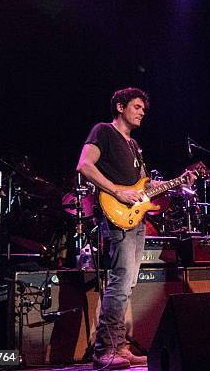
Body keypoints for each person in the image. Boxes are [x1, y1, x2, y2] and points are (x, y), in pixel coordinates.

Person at [77, 87, 186, 369]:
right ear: (120, 106)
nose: (142, 112)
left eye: (143, 109)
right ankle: (104, 351)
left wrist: (176, 182)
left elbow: (144, 187)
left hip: (134, 219)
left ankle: (121, 347)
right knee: (120, 281)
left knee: (128, 284)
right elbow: (85, 166)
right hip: (114, 214)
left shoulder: (134, 145)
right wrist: (117, 191)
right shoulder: (103, 131)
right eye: (137, 106)